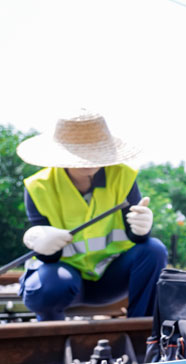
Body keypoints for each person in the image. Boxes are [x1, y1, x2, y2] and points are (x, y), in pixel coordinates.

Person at [16, 110, 168, 321]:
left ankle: (141, 333)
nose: (89, 159)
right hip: (65, 281)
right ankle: (52, 337)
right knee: (48, 285)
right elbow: (49, 258)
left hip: (112, 279)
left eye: (95, 151)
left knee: (154, 250)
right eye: (81, 152)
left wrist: (142, 229)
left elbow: (137, 239)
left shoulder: (123, 176)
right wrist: (40, 243)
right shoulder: (38, 187)